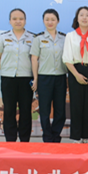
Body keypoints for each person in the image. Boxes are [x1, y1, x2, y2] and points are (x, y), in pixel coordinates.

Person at [0, 8, 35, 142]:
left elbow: (35, 59)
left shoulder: (32, 38)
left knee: (25, 110)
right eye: (15, 19)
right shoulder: (3, 37)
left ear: (25, 21)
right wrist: (6, 70)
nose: (18, 21)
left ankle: (24, 140)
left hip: (26, 79)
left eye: (21, 19)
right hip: (8, 79)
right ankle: (10, 139)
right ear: (10, 21)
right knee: (9, 109)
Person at [62, 6, 88, 143]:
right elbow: (67, 58)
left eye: (87, 15)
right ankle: (75, 137)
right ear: (77, 18)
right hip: (75, 70)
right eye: (81, 15)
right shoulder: (70, 36)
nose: (84, 18)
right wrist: (76, 75)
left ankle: (86, 137)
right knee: (76, 105)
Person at [30, 9, 67, 143]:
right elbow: (34, 59)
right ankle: (47, 137)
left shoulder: (65, 38)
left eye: (53, 19)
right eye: (47, 19)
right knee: (44, 110)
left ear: (58, 21)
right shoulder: (38, 39)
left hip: (61, 77)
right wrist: (35, 78)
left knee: (60, 110)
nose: (50, 22)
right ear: (43, 21)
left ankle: (56, 136)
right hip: (44, 78)